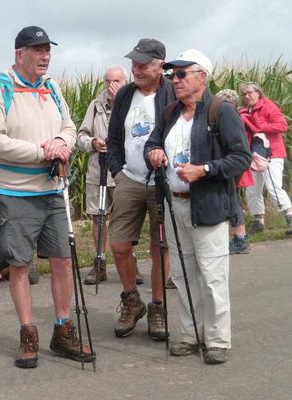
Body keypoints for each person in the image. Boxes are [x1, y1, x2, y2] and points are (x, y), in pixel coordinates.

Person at [0, 25, 92, 369]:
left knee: (62, 261)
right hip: (15, 192)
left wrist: (63, 144)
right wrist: (41, 152)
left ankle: (63, 330)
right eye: (38, 50)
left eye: (48, 50)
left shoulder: (52, 87)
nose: (45, 56)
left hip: (53, 190)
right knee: (19, 264)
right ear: (20, 55)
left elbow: (70, 127)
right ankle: (28, 334)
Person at [146, 49, 251, 364]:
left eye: (181, 74)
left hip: (207, 204)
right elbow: (152, 142)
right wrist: (154, 153)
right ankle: (191, 335)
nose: (174, 80)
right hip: (175, 204)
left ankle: (217, 340)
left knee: (211, 274)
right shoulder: (169, 113)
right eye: (172, 75)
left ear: (201, 77)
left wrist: (203, 170)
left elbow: (241, 158)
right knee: (182, 274)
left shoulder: (221, 110)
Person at [105, 38, 174, 341]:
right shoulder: (124, 95)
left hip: (162, 180)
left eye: (143, 64)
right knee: (119, 245)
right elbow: (113, 138)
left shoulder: (173, 91)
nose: (137, 69)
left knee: (161, 246)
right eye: (134, 63)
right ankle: (132, 300)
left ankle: (157, 306)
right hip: (129, 179)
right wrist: (117, 170)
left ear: (161, 66)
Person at [77, 65, 127, 285]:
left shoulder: (131, 104)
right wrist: (93, 143)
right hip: (99, 170)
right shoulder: (95, 106)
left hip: (123, 171)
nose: (111, 86)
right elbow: (81, 136)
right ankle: (100, 262)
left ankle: (129, 263)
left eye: (116, 81)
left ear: (124, 82)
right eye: (107, 81)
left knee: (126, 218)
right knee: (98, 218)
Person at [239, 82, 292, 236]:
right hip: (253, 154)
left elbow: (282, 126)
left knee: (273, 187)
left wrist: (258, 127)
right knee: (252, 189)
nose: (247, 96)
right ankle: (258, 221)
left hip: (271, 154)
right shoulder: (245, 110)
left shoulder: (268, 106)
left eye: (249, 92)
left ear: (258, 92)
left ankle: (289, 215)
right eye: (244, 94)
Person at [216, 89, 252, 254]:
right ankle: (238, 238)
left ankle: (239, 238)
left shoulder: (230, 117)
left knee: (232, 199)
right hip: (230, 164)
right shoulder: (234, 115)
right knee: (232, 198)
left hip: (230, 165)